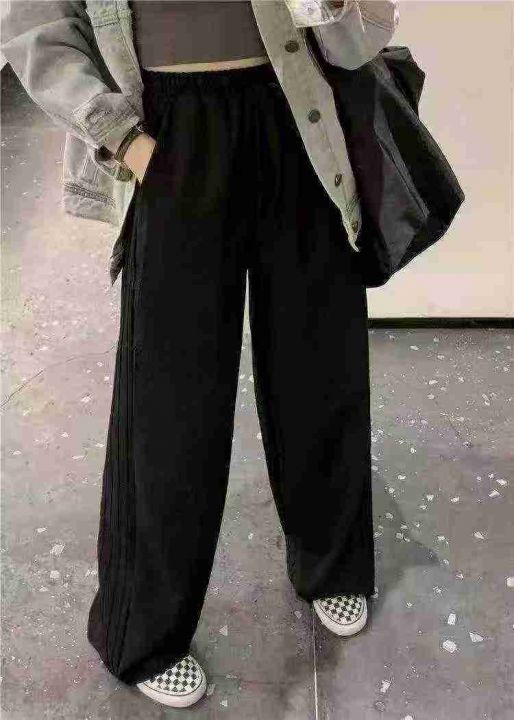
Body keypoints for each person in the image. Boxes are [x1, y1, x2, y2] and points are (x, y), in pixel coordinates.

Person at [1, 0, 399, 709]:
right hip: (167, 129)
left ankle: (333, 564)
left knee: (320, 363)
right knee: (169, 394)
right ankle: (143, 630)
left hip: (296, 112)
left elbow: (361, 33)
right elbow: (35, 27)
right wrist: (124, 139)